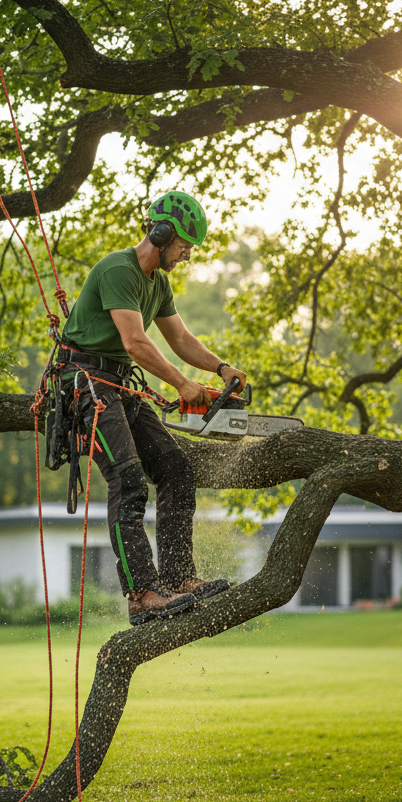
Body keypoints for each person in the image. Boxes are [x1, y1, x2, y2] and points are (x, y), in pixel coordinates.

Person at [58, 191, 248, 625]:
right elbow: (135, 343)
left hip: (118, 385)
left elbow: (179, 339)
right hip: (85, 384)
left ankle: (179, 578)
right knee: (128, 480)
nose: (186, 255)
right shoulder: (118, 270)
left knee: (176, 468)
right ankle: (142, 593)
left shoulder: (158, 284)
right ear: (160, 234)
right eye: (183, 246)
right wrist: (181, 383)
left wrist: (220, 368)